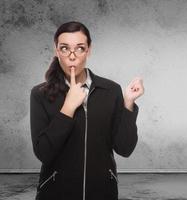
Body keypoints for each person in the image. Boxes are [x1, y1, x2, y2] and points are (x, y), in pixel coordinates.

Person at [30, 21, 144, 200]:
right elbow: (43, 152)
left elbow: (125, 148)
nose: (72, 56)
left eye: (80, 48)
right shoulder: (40, 94)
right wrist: (68, 107)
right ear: (56, 50)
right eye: (65, 48)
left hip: (102, 192)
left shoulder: (111, 90)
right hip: (55, 193)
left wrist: (128, 103)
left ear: (89, 50)